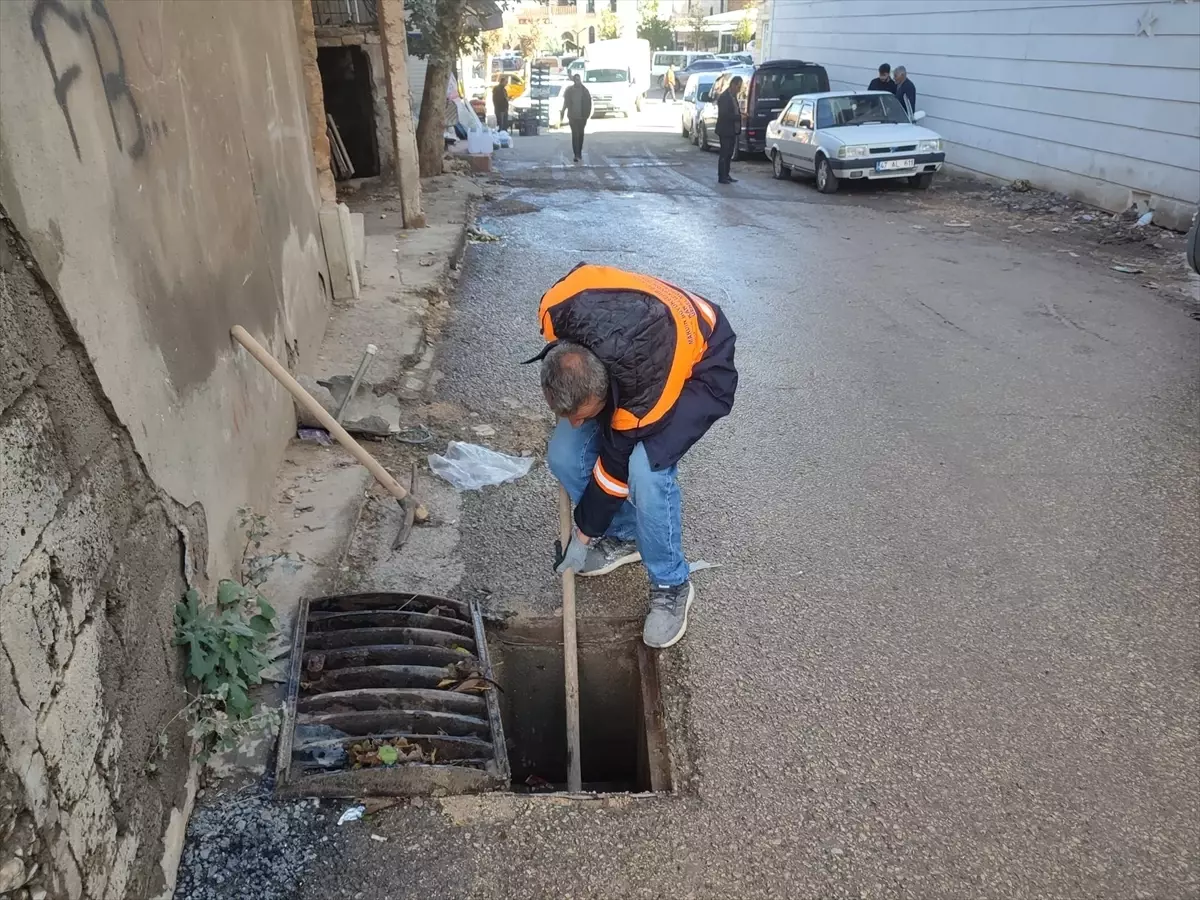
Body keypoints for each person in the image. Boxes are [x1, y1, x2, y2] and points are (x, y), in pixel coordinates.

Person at [533, 263, 738, 648]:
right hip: (633, 341)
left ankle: (671, 582)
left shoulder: (644, 392)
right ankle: (627, 536)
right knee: (564, 453)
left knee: (646, 469)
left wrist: (583, 533)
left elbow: (615, 471)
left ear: (604, 390)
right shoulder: (555, 311)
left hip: (700, 363)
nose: (576, 423)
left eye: (583, 414)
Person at [715, 75, 743, 185]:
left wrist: (740, 115)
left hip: (732, 130)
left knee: (729, 153)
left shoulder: (733, 96)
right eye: (738, 87)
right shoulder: (724, 97)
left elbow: (734, 110)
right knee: (724, 153)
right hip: (725, 130)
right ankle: (722, 176)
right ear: (732, 85)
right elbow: (724, 115)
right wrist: (739, 117)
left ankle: (726, 174)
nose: (739, 89)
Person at [561, 74, 592, 163]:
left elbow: (589, 103)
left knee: (581, 135)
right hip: (572, 117)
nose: (577, 81)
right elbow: (566, 102)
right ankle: (576, 155)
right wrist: (563, 111)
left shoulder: (585, 91)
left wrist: (587, 115)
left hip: (582, 117)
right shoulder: (569, 91)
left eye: (578, 79)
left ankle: (579, 152)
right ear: (574, 81)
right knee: (575, 135)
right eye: (576, 80)